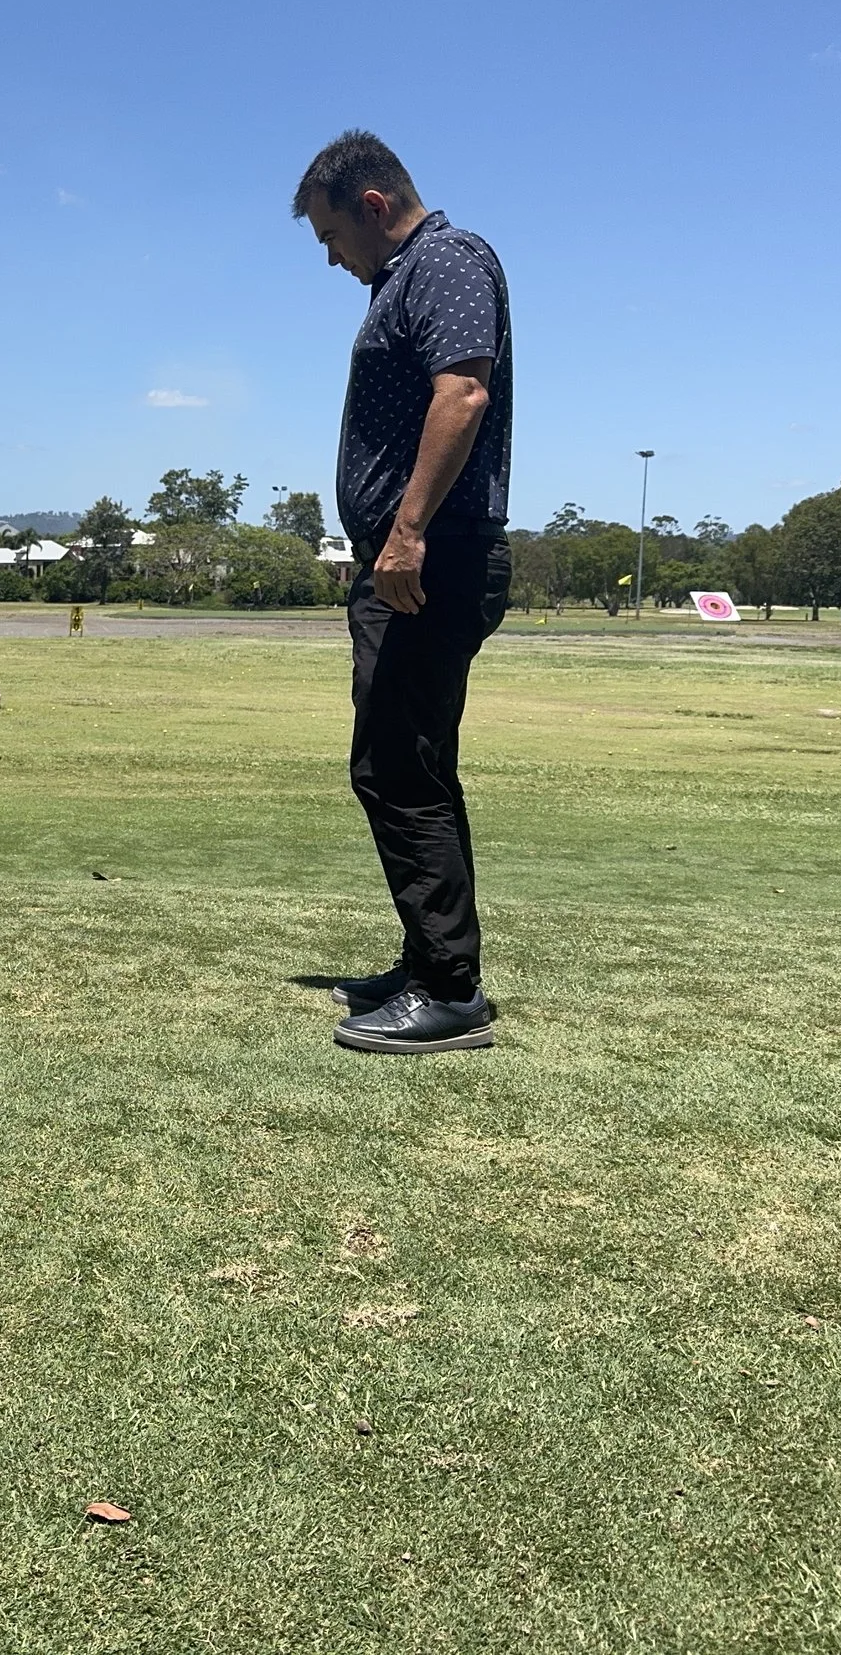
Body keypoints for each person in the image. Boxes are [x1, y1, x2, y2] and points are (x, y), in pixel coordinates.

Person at [293, 132, 514, 1055]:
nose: (332, 259)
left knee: (396, 768)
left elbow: (462, 395)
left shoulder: (446, 261)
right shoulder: (405, 279)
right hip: (412, 559)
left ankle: (449, 989)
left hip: (430, 560)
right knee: (411, 764)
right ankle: (432, 959)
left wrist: (408, 530)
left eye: (331, 236)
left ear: (374, 206)